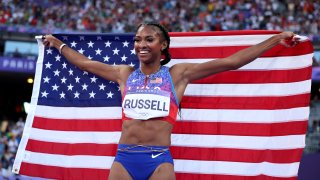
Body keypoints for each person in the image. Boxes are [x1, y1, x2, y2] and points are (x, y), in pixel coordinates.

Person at [42, 22, 300, 180]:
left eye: (149, 39)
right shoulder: (124, 74)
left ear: (163, 45)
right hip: (124, 159)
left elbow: (230, 62)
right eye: (137, 40)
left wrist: (276, 40)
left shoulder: (178, 74)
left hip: (158, 161)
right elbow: (85, 63)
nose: (141, 44)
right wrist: (57, 44)